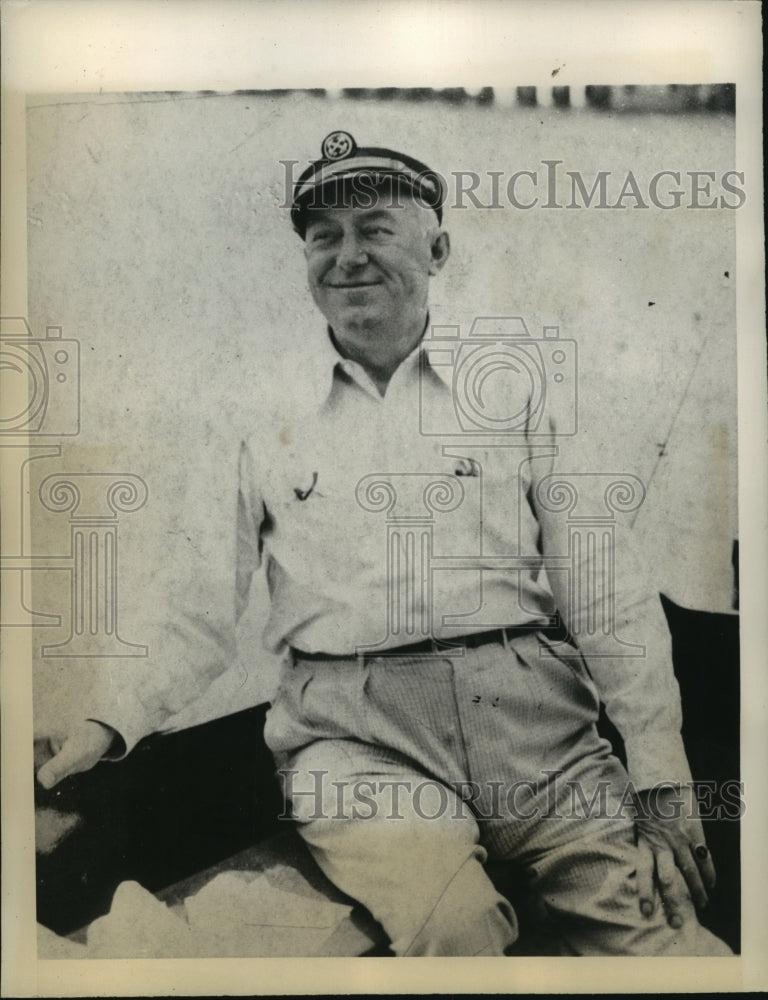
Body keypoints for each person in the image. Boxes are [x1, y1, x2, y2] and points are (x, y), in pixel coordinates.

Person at [37, 131, 732, 956]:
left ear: (437, 248)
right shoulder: (255, 413)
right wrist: (104, 719)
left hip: (541, 737)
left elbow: (606, 592)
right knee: (457, 933)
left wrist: (659, 776)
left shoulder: (519, 382)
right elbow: (194, 611)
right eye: (323, 237)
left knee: (670, 947)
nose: (347, 256)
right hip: (355, 743)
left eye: (375, 228)